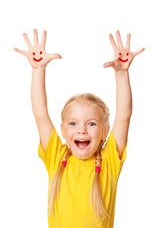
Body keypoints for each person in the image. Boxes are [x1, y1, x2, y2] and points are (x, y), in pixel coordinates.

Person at [14, 30, 144, 228]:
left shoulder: (109, 161)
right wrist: (38, 70)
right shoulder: (56, 157)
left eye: (91, 123)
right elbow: (40, 114)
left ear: (104, 131)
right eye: (73, 123)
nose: (82, 130)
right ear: (63, 131)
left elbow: (124, 116)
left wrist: (122, 73)